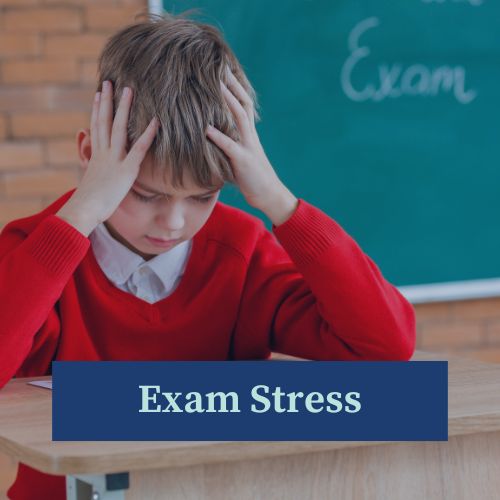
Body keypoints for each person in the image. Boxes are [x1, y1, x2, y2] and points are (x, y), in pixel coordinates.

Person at [0, 12, 415, 499]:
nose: (174, 223)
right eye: (146, 194)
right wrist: (82, 211)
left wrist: (281, 205)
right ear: (91, 156)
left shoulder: (242, 251)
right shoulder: (36, 253)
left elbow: (385, 349)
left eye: (202, 197)